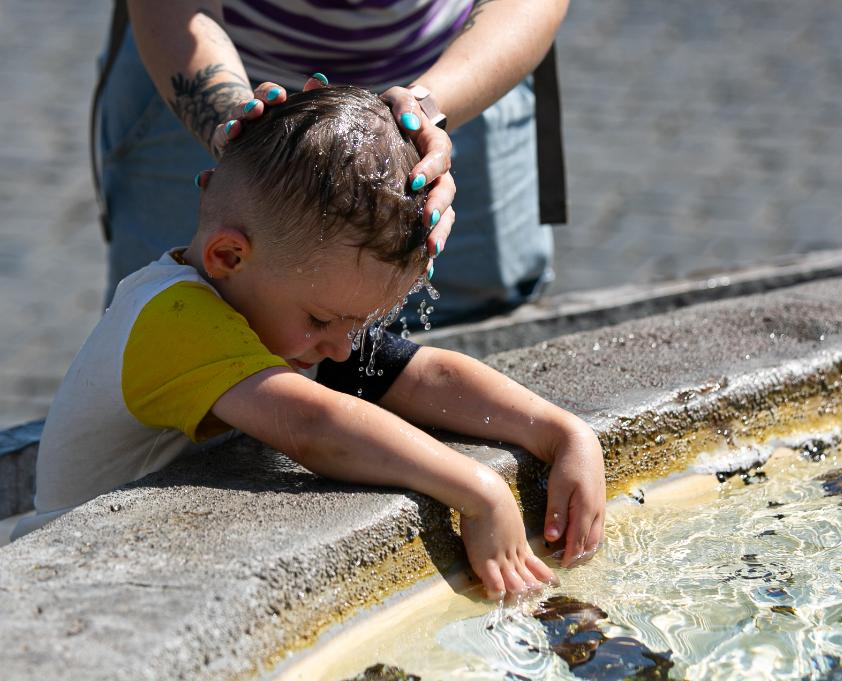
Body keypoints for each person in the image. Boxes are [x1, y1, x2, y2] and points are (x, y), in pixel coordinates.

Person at [19, 87, 604, 599]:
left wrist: (561, 432)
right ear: (227, 256)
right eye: (326, 320)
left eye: (357, 324)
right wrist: (478, 490)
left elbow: (423, 376)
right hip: (69, 576)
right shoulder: (173, 317)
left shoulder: (277, 307)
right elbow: (317, 428)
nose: (345, 349)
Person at [99, 0, 569, 326]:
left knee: (473, 329)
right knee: (179, 328)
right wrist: (245, 143)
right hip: (208, 69)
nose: (339, 352)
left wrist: (426, 114)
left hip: (463, 66)